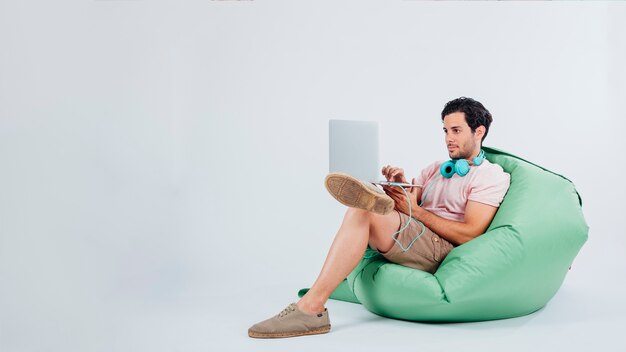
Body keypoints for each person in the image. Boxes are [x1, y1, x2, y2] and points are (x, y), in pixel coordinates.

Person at [248, 97, 511, 339]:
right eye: (445, 130)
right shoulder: (437, 169)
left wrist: (415, 211)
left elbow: (471, 234)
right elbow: (414, 201)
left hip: (442, 249)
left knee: (364, 211)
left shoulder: (490, 176)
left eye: (456, 131)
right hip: (416, 230)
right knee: (363, 208)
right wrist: (401, 186)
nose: (448, 138)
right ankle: (371, 193)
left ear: (479, 132)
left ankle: (310, 308)